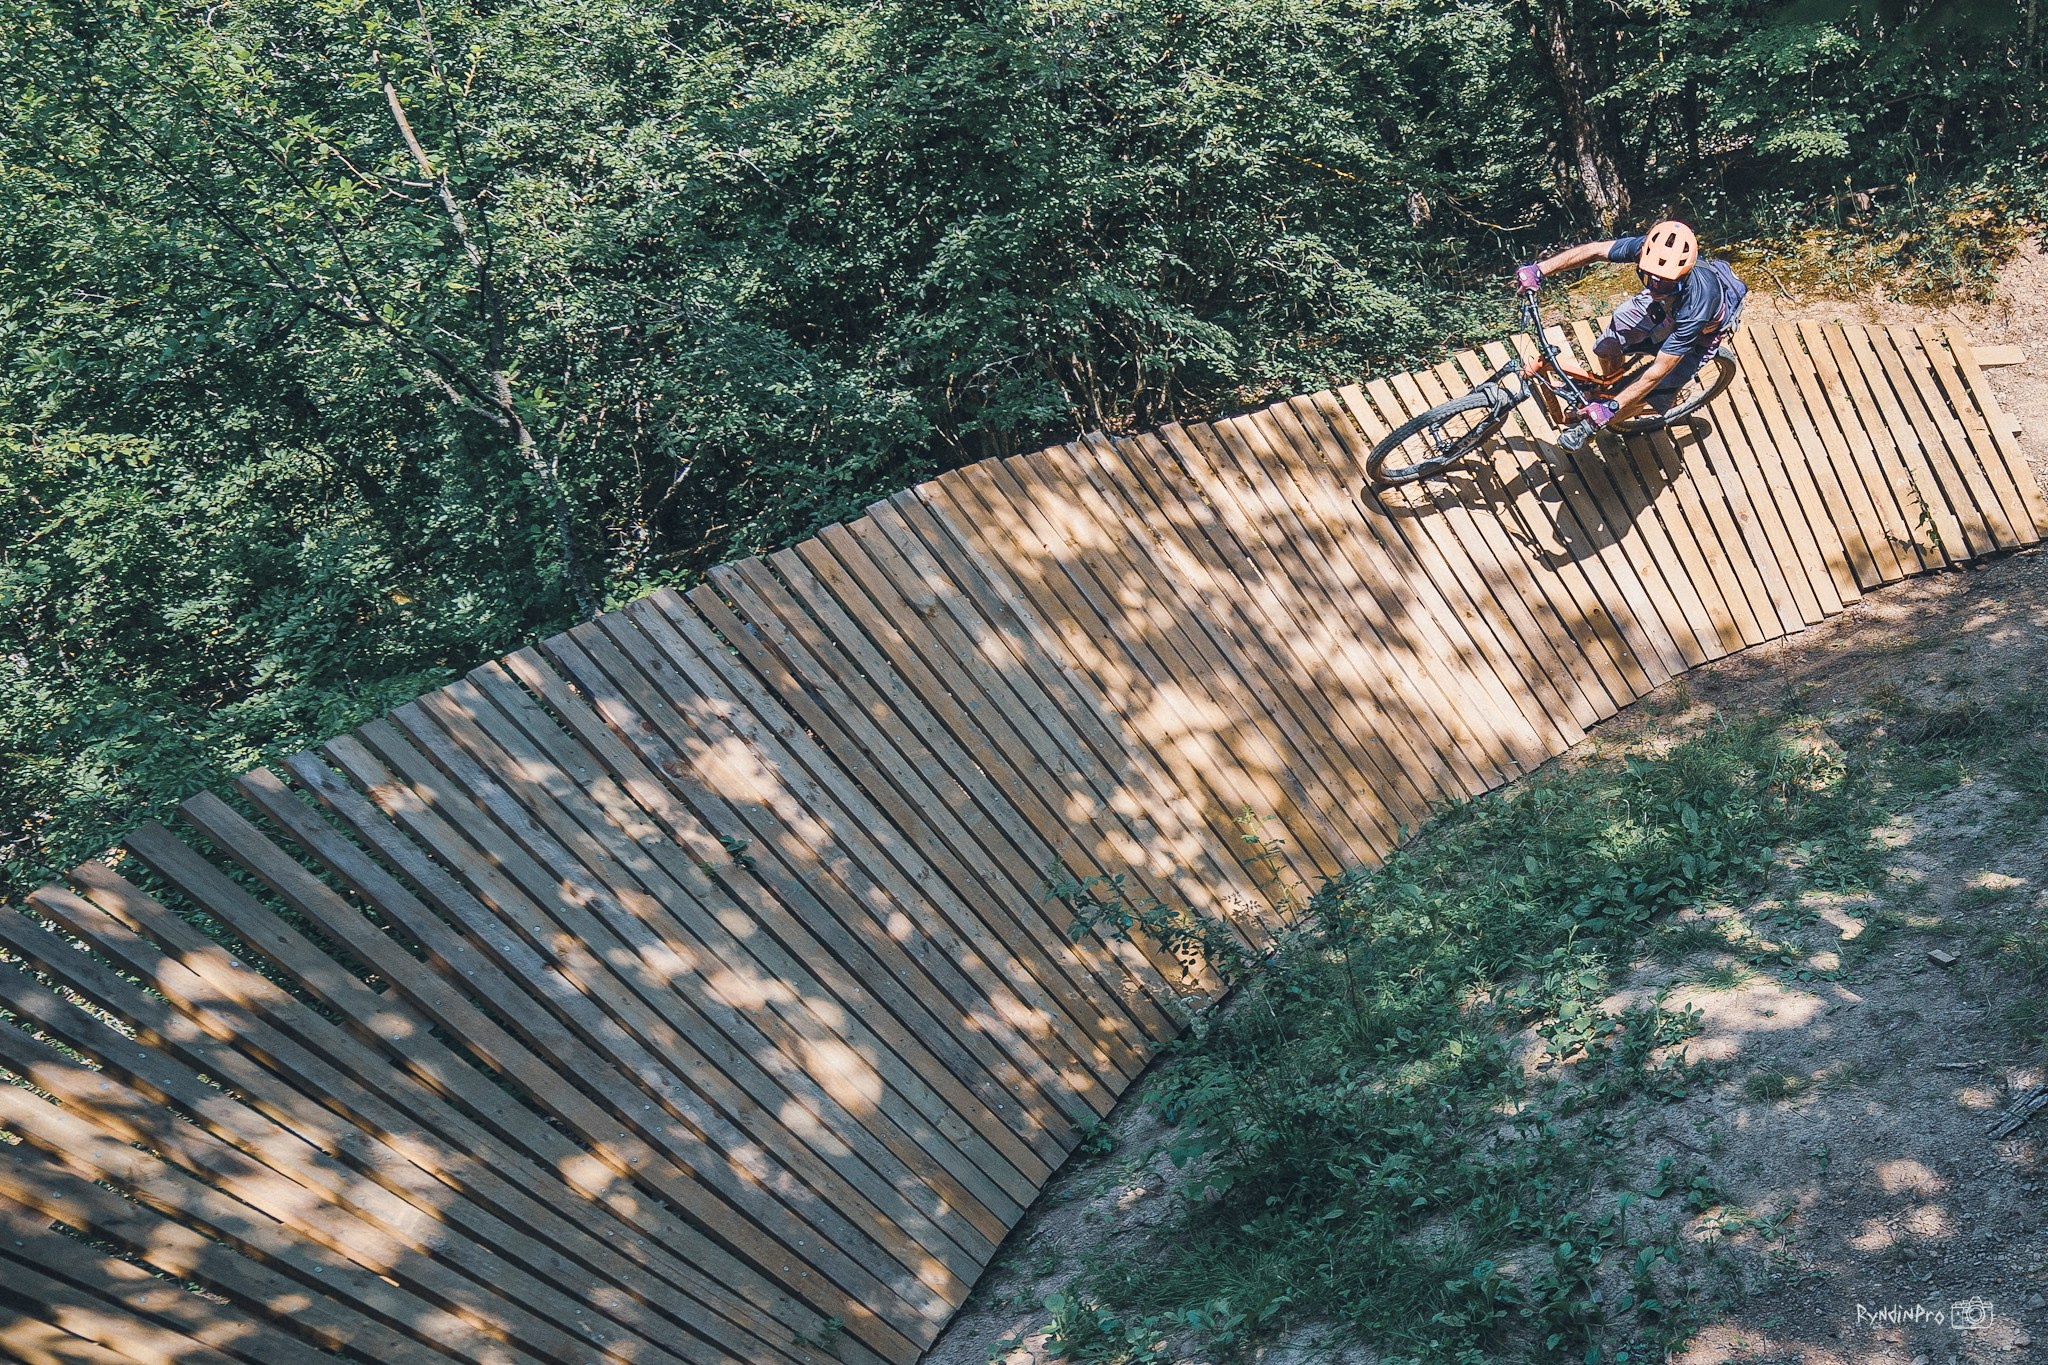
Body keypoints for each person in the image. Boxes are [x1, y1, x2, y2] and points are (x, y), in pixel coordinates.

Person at [1512, 220, 1748, 431]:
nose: (1655, 287)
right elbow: (1594, 251)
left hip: (1699, 332)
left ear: (1683, 275)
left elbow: (1657, 371)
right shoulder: (1649, 251)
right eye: (1648, 277)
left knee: (1637, 399)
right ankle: (1610, 383)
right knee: (1605, 347)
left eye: (1664, 284)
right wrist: (1540, 269)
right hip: (1666, 307)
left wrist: (1611, 407)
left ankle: (1623, 409)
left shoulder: (1699, 303)